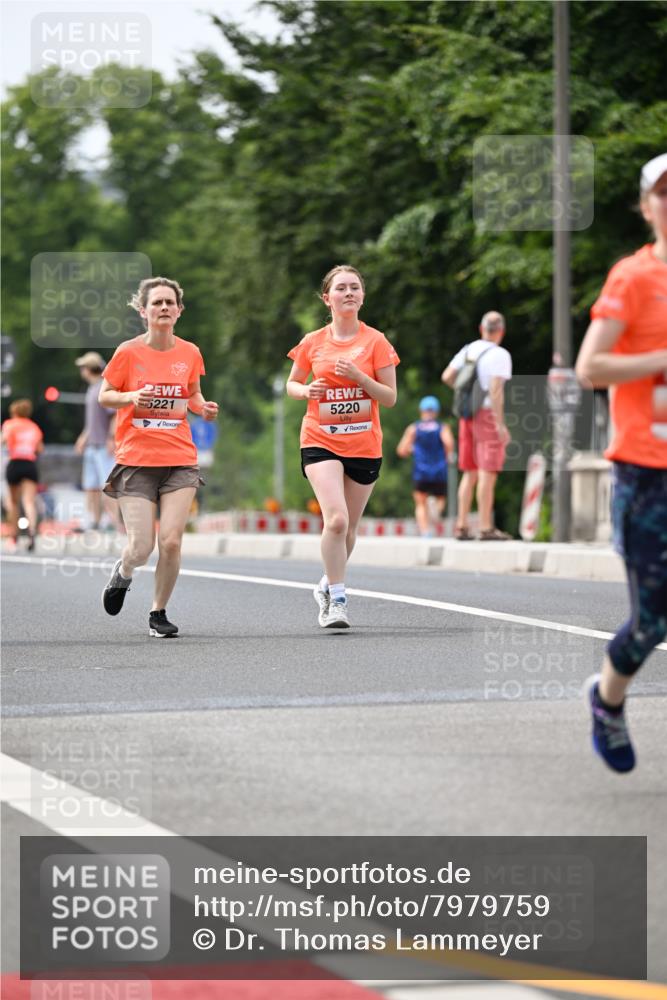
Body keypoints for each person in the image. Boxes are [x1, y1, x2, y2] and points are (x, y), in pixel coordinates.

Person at [575, 152, 667, 773]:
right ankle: (607, 700)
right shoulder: (633, 278)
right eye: (664, 194)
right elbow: (590, 367)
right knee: (652, 623)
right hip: (646, 472)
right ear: (646, 206)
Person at [98, 277, 219, 638]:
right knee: (141, 547)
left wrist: (203, 408)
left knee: (170, 540)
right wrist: (131, 397)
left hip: (180, 458)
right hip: (136, 459)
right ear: (144, 311)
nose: (164, 308)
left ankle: (158, 613)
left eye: (170, 303)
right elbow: (106, 395)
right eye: (157, 303)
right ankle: (124, 571)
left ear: (179, 310)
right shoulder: (128, 352)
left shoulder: (190, 352)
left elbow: (192, 394)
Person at [286, 265, 400, 628]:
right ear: (327, 298)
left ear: (362, 297)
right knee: (335, 520)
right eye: (341, 288)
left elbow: (390, 397)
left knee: (348, 530)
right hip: (320, 439)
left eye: (355, 288)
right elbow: (292, 383)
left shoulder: (376, 342)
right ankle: (337, 600)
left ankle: (324, 584)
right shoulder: (313, 341)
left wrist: (359, 377)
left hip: (364, 443)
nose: (348, 293)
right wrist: (306, 391)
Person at [440, 311, 512, 540]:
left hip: (466, 415)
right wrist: (500, 424)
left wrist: (467, 396)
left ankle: (461, 525)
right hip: (488, 415)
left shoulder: (469, 349)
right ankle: (485, 527)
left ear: (482, 329)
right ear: (501, 331)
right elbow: (496, 390)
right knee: (487, 473)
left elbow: (447, 376)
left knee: (469, 471)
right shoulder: (500, 354)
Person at [74, 351, 121, 532]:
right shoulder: (92, 389)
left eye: (83, 367)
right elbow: (92, 421)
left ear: (88, 368)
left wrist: (111, 438)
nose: (81, 370)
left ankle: (113, 522)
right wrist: (83, 438)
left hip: (103, 445)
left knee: (107, 486)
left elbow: (114, 416)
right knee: (91, 487)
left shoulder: (103, 388)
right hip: (92, 445)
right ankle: (94, 521)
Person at [396, 396, 455, 537]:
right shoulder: (442, 428)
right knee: (441, 499)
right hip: (439, 470)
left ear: (421, 411)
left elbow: (401, 450)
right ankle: (435, 507)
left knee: (420, 503)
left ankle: (425, 532)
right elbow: (449, 444)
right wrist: (448, 455)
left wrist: (411, 449)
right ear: (436, 412)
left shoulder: (414, 428)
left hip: (420, 471)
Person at [1, 399, 43, 551]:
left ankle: (14, 537)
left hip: (15, 463)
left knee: (13, 503)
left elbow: (3, 440)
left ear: (14, 412)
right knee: (29, 502)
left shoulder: (9, 424)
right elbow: (39, 449)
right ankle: (32, 533)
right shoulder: (34, 427)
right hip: (29, 464)